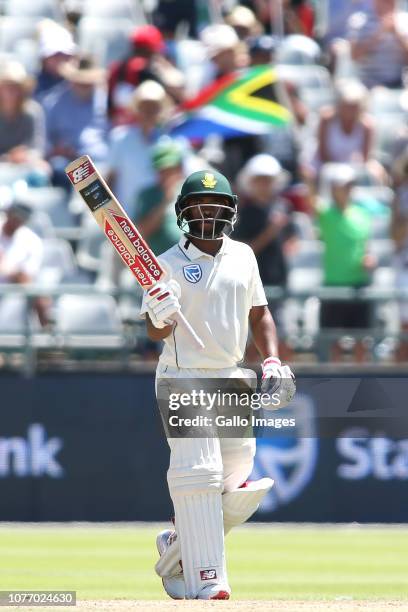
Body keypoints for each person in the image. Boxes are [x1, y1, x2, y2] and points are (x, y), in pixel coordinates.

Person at [140, 169, 296, 600]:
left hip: (230, 376)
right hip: (182, 376)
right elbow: (154, 333)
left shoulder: (244, 256)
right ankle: (209, 580)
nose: (208, 214)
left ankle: (176, 548)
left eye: (216, 207)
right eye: (199, 207)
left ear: (230, 212)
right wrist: (157, 314)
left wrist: (271, 358)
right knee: (199, 474)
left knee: (236, 477)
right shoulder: (166, 264)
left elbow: (259, 313)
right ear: (184, 213)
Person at [316, 164, 376, 362]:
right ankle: (334, 387)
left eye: (349, 185)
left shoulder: (363, 215)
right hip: (333, 285)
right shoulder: (325, 213)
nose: (347, 189)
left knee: (362, 341)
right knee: (334, 342)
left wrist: (369, 259)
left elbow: (366, 247)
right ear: (332, 188)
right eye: (343, 185)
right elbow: (310, 198)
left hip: (359, 285)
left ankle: (362, 386)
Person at [107, 80, 170, 219]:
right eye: (145, 106)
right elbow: (110, 178)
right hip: (127, 220)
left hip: (161, 221)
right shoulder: (120, 138)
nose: (149, 111)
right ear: (137, 109)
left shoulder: (172, 141)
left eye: (154, 107)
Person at [43, 56, 109, 188]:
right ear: (71, 81)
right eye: (80, 82)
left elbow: (113, 135)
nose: (85, 86)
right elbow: (45, 141)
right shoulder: (54, 102)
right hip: (68, 163)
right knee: (59, 167)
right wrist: (57, 150)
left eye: (88, 83)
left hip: (100, 162)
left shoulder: (106, 101)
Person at [0, 200, 48, 326]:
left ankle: (47, 334)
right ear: (8, 213)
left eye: (21, 217)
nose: (17, 220)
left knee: (40, 299)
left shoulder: (32, 241)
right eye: (15, 215)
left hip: (16, 289)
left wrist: (8, 271)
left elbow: (25, 277)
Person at [134, 139, 183, 255]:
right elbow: (142, 233)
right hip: (159, 263)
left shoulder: (192, 192)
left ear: (179, 168)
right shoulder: (147, 195)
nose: (166, 175)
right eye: (161, 170)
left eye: (170, 170)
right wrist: (165, 202)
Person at [347, 0, 408, 89]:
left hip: (399, 83)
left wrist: (397, 34)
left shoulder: (405, 21)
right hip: (367, 83)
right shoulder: (359, 20)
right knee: (351, 99)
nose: (389, 3)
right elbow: (354, 56)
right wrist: (379, 33)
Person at [0, 60, 46, 166]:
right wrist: (9, 157)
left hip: (25, 165)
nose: (11, 91)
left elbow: (38, 148)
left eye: (15, 87)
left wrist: (26, 156)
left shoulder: (33, 111)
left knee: (42, 171)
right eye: (7, 86)